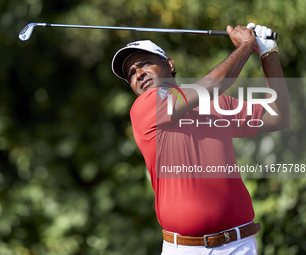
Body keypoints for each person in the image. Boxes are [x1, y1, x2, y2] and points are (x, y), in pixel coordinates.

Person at [111, 23, 290, 254]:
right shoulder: (144, 108)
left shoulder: (217, 104)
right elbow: (214, 84)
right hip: (184, 249)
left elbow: (279, 117)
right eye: (131, 74)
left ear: (169, 64)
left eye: (144, 64)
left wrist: (268, 53)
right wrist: (247, 45)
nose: (138, 75)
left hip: (239, 244)